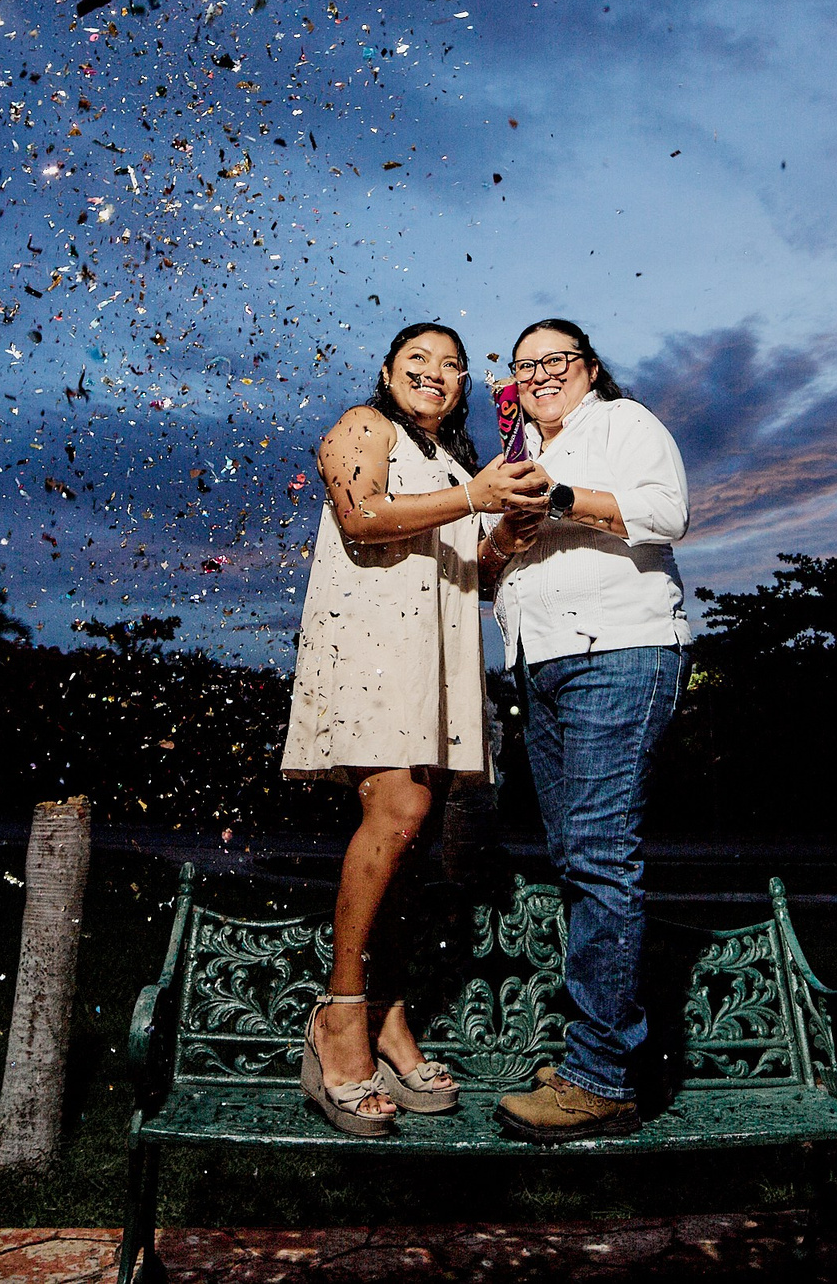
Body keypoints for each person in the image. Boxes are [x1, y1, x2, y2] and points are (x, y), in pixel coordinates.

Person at [281, 321, 550, 1134]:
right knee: (395, 817)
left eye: (452, 366)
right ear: (388, 370)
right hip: (372, 650)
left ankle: (389, 1015)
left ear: (465, 385)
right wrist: (477, 497)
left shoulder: (453, 465)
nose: (436, 373)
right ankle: (342, 1016)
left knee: (415, 834)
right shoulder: (363, 428)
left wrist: (512, 521)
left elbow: (475, 572)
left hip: (431, 661)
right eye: (418, 361)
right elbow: (362, 516)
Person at [483, 317, 691, 1143]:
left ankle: (601, 1079)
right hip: (539, 666)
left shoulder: (624, 423)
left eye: (555, 361)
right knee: (575, 856)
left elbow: (668, 514)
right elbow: (484, 571)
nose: (539, 375)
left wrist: (560, 499)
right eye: (525, 365)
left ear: (590, 367)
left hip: (623, 649)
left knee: (601, 853)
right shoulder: (510, 457)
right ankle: (597, 1050)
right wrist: (509, 526)